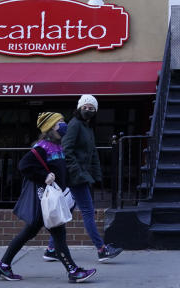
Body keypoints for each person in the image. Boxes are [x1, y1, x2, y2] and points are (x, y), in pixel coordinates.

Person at [0, 112, 96, 283]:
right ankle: (73, 271)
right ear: (49, 128)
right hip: (45, 201)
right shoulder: (42, 147)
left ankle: (3, 265)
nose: (63, 125)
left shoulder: (59, 146)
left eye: (63, 121)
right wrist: (44, 176)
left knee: (28, 233)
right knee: (59, 234)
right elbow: (24, 165)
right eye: (59, 123)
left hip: (51, 199)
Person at [43, 94, 123, 263]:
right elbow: (67, 150)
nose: (88, 110)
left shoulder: (86, 127)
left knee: (66, 212)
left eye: (91, 108)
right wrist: (77, 173)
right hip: (75, 177)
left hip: (80, 175)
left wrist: (96, 173)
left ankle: (51, 249)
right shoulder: (74, 125)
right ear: (79, 108)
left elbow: (92, 152)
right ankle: (102, 250)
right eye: (85, 107)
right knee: (88, 212)